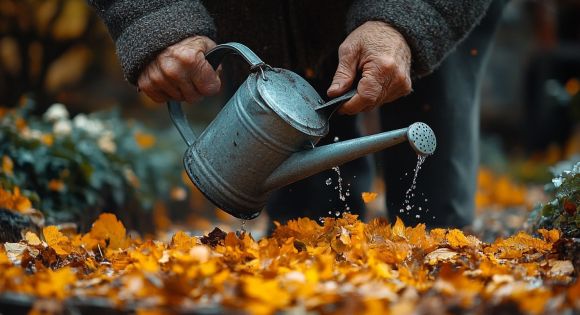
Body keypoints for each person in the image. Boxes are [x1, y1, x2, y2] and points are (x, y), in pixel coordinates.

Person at [89, 0, 508, 229]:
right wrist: (153, 16)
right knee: (306, 214)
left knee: (431, 212)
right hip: (255, 17)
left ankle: (440, 272)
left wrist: (405, 18)